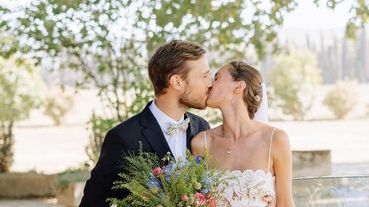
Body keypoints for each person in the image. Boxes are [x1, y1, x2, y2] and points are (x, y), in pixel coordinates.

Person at [79, 40, 213, 207]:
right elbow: (93, 203)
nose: (210, 83)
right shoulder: (123, 138)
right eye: (204, 76)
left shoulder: (202, 128)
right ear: (176, 82)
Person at [191, 61, 294, 207]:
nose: (209, 84)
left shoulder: (275, 139)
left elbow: (285, 203)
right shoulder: (201, 143)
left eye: (217, 78)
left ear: (238, 86)